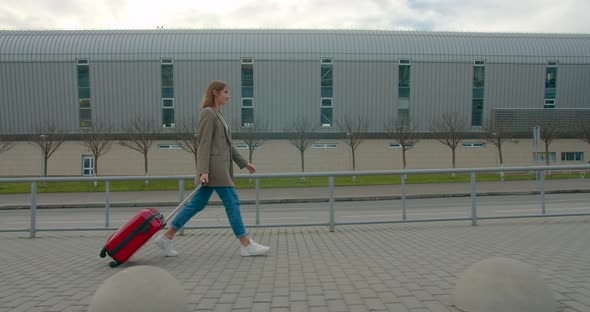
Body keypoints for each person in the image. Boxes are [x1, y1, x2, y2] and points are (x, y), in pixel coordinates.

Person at [154, 80, 270, 257]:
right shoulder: (208, 113)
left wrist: (245, 163)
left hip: (218, 168)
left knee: (196, 205)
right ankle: (246, 244)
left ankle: (167, 237)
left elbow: (228, 146)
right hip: (215, 170)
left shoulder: (219, 115)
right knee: (232, 202)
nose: (228, 96)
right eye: (225, 92)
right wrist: (203, 171)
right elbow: (204, 143)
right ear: (215, 93)